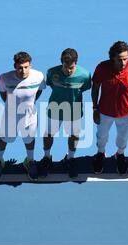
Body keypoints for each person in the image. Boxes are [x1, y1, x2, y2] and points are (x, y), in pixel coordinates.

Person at [92, 41, 128, 174]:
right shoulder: (102, 67)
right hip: (105, 111)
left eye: (125, 59)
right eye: (119, 59)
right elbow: (95, 88)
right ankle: (100, 154)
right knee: (102, 136)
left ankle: (120, 154)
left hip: (126, 113)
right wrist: (95, 108)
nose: (123, 62)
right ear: (112, 58)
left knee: (123, 136)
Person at [39, 48, 92, 178]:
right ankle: (47, 157)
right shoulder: (52, 72)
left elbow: (85, 88)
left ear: (76, 63)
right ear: (61, 62)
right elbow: (51, 84)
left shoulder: (85, 75)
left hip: (74, 111)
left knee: (74, 135)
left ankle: (70, 158)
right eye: (65, 67)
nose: (68, 70)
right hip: (55, 109)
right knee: (49, 134)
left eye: (71, 67)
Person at [0, 51, 46, 181]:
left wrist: (30, 103)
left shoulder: (39, 76)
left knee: (29, 140)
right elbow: (3, 95)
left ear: (30, 66)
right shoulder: (4, 78)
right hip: (10, 117)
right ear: (15, 66)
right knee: (3, 139)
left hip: (30, 117)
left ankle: (30, 161)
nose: (23, 71)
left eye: (26, 67)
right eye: (20, 68)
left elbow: (39, 91)